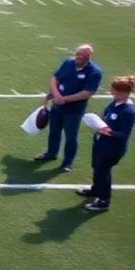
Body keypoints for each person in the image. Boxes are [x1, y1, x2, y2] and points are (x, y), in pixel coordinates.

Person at [36, 44, 102, 173]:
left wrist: (65, 99)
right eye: (77, 54)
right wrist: (55, 95)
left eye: (81, 55)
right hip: (57, 105)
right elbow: (54, 79)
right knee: (54, 131)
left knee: (71, 136)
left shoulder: (94, 72)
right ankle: (51, 153)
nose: (77, 57)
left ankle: (68, 162)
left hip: (74, 110)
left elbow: (87, 93)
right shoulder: (68, 63)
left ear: (88, 56)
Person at [77, 75, 135, 212]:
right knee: (96, 168)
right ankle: (96, 189)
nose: (111, 93)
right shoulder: (114, 103)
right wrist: (96, 120)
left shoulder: (128, 112)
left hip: (112, 148)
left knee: (103, 172)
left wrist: (107, 131)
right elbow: (105, 118)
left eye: (114, 91)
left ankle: (104, 201)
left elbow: (123, 134)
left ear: (124, 93)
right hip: (101, 143)